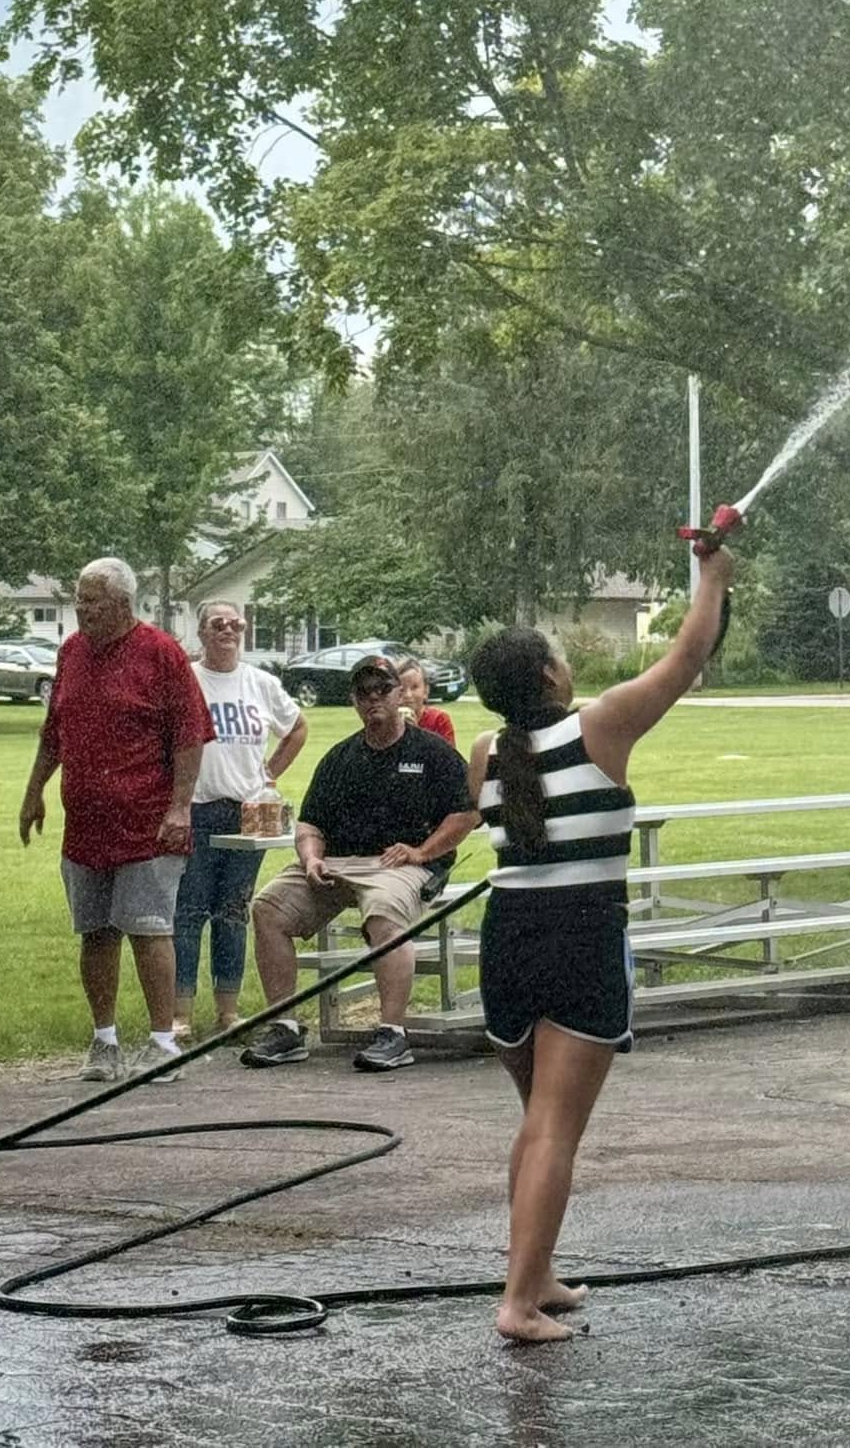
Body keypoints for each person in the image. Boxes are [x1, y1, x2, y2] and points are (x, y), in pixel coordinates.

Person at [468, 544, 734, 1344]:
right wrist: (713, 578)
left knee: (535, 1122)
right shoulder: (602, 726)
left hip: (506, 941)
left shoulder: (486, 753)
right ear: (551, 676)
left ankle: (534, 1273)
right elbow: (687, 657)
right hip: (579, 937)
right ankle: (516, 1303)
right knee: (554, 1128)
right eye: (557, 652)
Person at [18, 557, 214, 1083]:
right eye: (79, 599)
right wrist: (34, 791)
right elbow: (53, 729)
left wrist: (179, 806)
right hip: (85, 824)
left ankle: (161, 1043)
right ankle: (103, 1041)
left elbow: (190, 735)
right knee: (95, 932)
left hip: (148, 822)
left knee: (150, 929)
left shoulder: (161, 654)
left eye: (92, 601)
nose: (81, 610)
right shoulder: (72, 653)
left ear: (123, 603)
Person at [238, 654, 481, 1072]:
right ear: (353, 700)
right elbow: (310, 823)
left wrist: (423, 851)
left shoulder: (432, 752)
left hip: (400, 864)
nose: (373, 700)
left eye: (382, 690)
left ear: (399, 693)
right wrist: (311, 859)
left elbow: (468, 812)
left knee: (384, 914)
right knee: (268, 908)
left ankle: (392, 1032)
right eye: (363, 693)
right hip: (337, 863)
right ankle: (284, 1026)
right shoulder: (339, 758)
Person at [173, 600, 307, 1041]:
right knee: (189, 910)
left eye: (236, 624)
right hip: (197, 807)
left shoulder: (261, 683)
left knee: (233, 911)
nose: (228, 631)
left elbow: (297, 728)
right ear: (202, 633)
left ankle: (228, 1012)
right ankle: (181, 1015)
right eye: (218, 624)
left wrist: (269, 772)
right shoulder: (187, 680)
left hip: (249, 812)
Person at [396, 655, 456, 748]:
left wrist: (416, 733)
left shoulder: (439, 720)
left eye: (414, 687)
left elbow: (448, 759)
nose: (408, 695)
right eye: (402, 689)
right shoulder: (388, 721)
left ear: (426, 691)